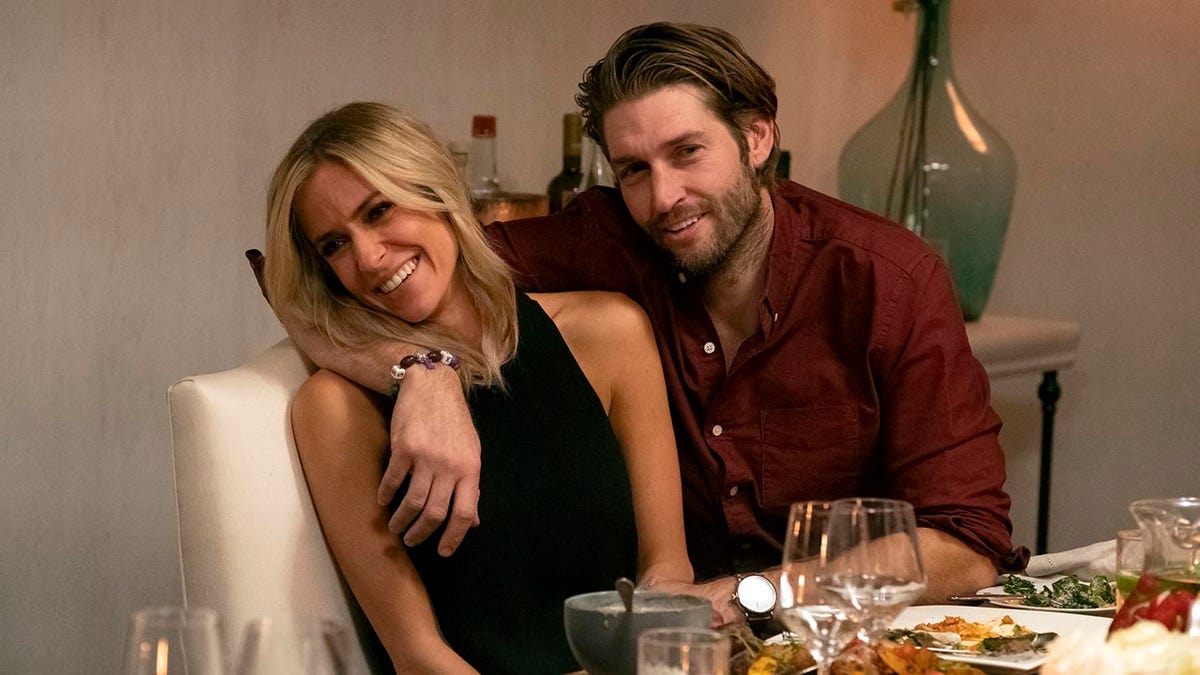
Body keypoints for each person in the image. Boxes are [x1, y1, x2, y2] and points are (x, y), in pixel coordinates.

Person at [269, 23, 1029, 627]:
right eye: (634, 168)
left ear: (757, 138)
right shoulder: (603, 243)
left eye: (687, 152)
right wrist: (420, 370)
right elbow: (331, 285)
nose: (664, 197)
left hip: (854, 638)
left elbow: (968, 542)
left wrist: (751, 594)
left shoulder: (888, 280)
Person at [262, 101, 693, 673]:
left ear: (438, 191)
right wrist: (420, 370)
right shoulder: (337, 410)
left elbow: (666, 568)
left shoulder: (610, 334)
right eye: (334, 245)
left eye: (380, 210)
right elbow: (418, 656)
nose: (367, 258)